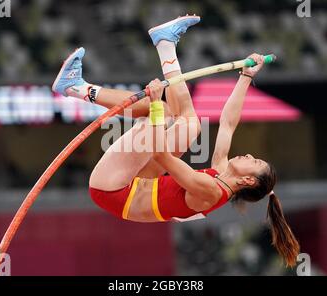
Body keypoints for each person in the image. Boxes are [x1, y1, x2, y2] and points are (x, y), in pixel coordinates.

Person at [52, 16, 300, 267]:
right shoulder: (223, 174)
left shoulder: (211, 190)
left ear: (248, 180)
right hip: (140, 183)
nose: (248, 155)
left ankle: (75, 87)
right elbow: (227, 124)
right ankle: (165, 43)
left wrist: (157, 105)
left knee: (156, 108)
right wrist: (246, 77)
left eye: (254, 161)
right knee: (190, 124)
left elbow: (161, 155)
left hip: (114, 190)